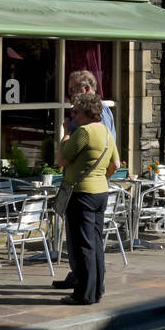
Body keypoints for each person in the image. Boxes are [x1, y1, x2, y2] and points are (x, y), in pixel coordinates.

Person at [52, 91, 119, 305]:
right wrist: (100, 176)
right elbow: (116, 165)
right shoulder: (107, 133)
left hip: (81, 194)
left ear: (88, 113)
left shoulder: (84, 133)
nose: (74, 116)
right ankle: (97, 290)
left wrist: (64, 132)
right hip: (101, 193)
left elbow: (60, 159)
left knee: (83, 246)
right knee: (96, 243)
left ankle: (84, 295)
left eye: (76, 112)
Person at [56, 70, 114, 169]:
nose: (69, 94)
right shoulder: (92, 110)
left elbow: (101, 149)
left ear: (86, 88)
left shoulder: (98, 112)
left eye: (72, 89)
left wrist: (66, 133)